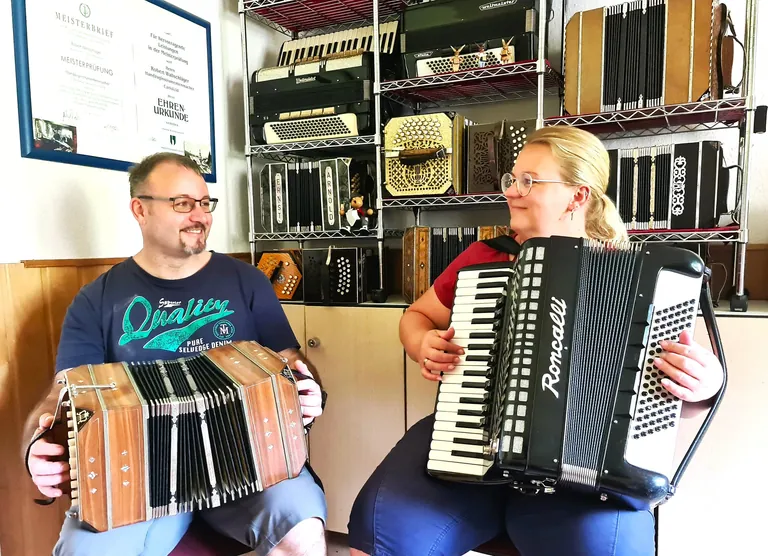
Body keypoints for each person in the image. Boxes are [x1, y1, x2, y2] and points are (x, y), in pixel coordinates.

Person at [347, 127, 725, 556]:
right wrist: (422, 344)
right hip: (468, 445)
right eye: (512, 179)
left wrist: (704, 382)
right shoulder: (485, 257)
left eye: (529, 181)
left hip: (583, 482)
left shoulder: (643, 277)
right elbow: (416, 317)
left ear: (577, 196)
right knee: (381, 536)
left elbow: (678, 395)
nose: (511, 191)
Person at [22, 152, 328, 556]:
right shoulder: (96, 300)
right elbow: (60, 394)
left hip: (249, 462)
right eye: (182, 203)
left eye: (204, 202)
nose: (200, 216)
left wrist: (308, 389)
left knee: (303, 531)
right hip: (139, 479)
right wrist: (34, 446)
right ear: (140, 210)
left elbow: (291, 363)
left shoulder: (248, 281)